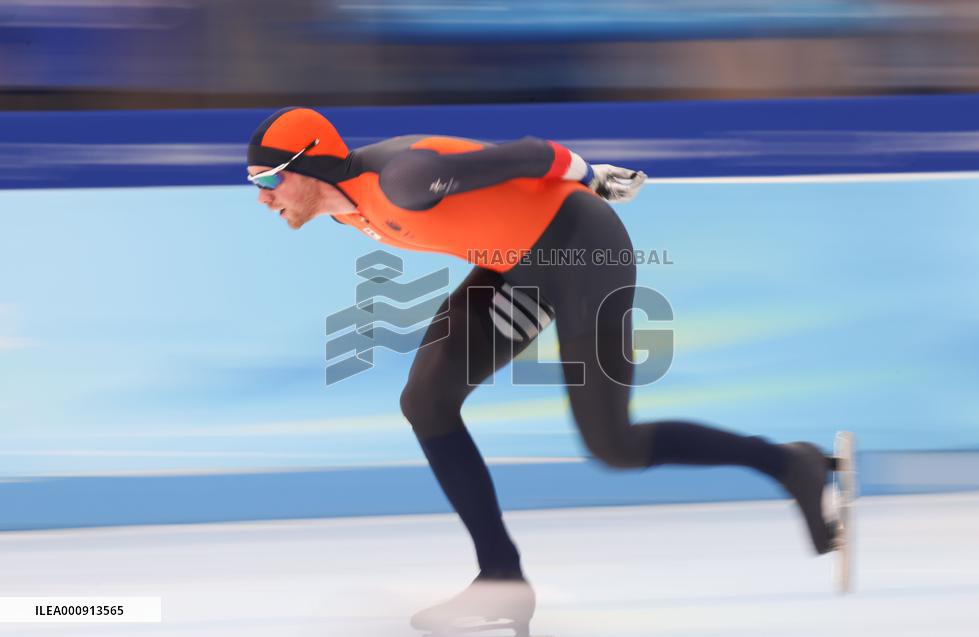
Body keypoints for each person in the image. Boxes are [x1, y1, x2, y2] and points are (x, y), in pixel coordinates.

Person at [247, 107, 842, 636]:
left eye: (270, 181)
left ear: (312, 165)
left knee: (615, 445)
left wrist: (587, 175)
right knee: (426, 400)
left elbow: (529, 154)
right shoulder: (342, 210)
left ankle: (792, 464)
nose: (264, 198)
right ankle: (501, 578)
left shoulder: (401, 181)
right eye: (257, 185)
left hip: (585, 254)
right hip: (516, 267)